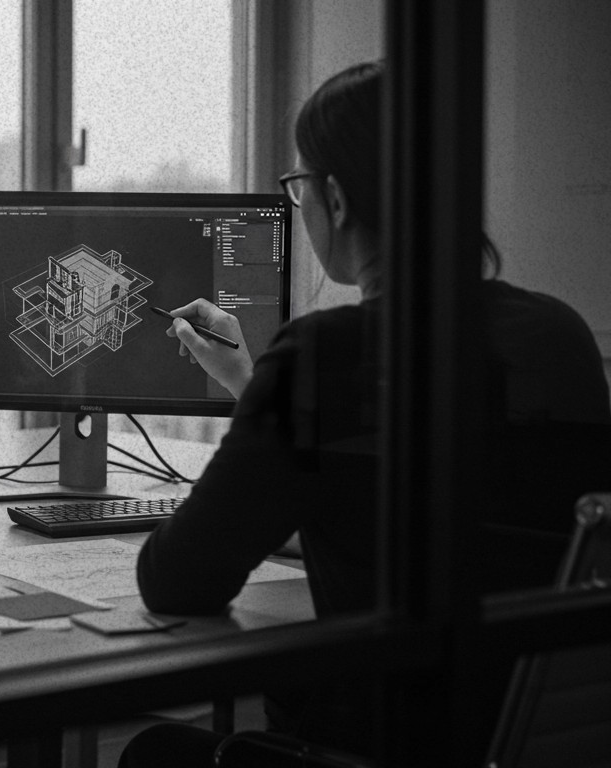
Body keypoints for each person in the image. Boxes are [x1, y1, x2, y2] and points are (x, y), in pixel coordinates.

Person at [122, 60, 611, 764]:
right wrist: (251, 381)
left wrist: (273, 393)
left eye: (299, 188)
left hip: (370, 743)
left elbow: (178, 580)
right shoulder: (559, 335)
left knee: (156, 753)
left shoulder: (329, 355)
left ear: (339, 200)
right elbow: (421, 514)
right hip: (515, 742)